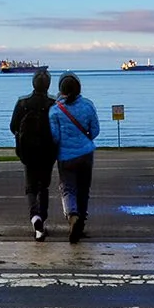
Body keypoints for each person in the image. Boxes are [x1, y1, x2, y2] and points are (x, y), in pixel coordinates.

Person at [48, 72, 101, 243]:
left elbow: (55, 137)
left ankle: (72, 216)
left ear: (60, 89)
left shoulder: (55, 110)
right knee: (84, 189)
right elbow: (95, 130)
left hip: (65, 156)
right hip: (86, 153)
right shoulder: (88, 105)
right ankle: (82, 223)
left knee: (68, 189)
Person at [9, 68, 57, 240]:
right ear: (48, 85)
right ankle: (42, 219)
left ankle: (35, 217)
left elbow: (13, 126)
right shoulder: (54, 104)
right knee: (43, 186)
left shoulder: (22, 103)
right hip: (48, 150)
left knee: (30, 187)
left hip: (28, 150)